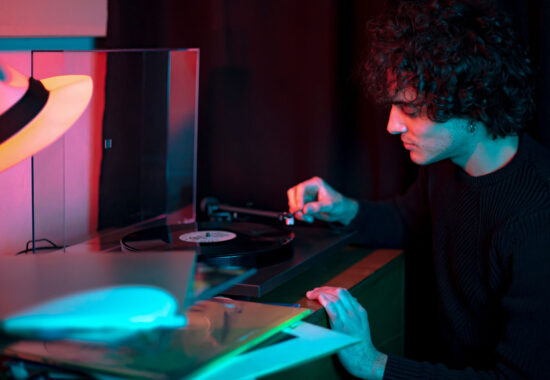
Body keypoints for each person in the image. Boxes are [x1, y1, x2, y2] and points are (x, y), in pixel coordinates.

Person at [287, 0, 550, 378]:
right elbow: (411, 220)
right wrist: (345, 209)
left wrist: (374, 364)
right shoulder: (444, 167)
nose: (392, 126)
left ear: (472, 105)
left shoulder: (536, 221)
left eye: (409, 110)